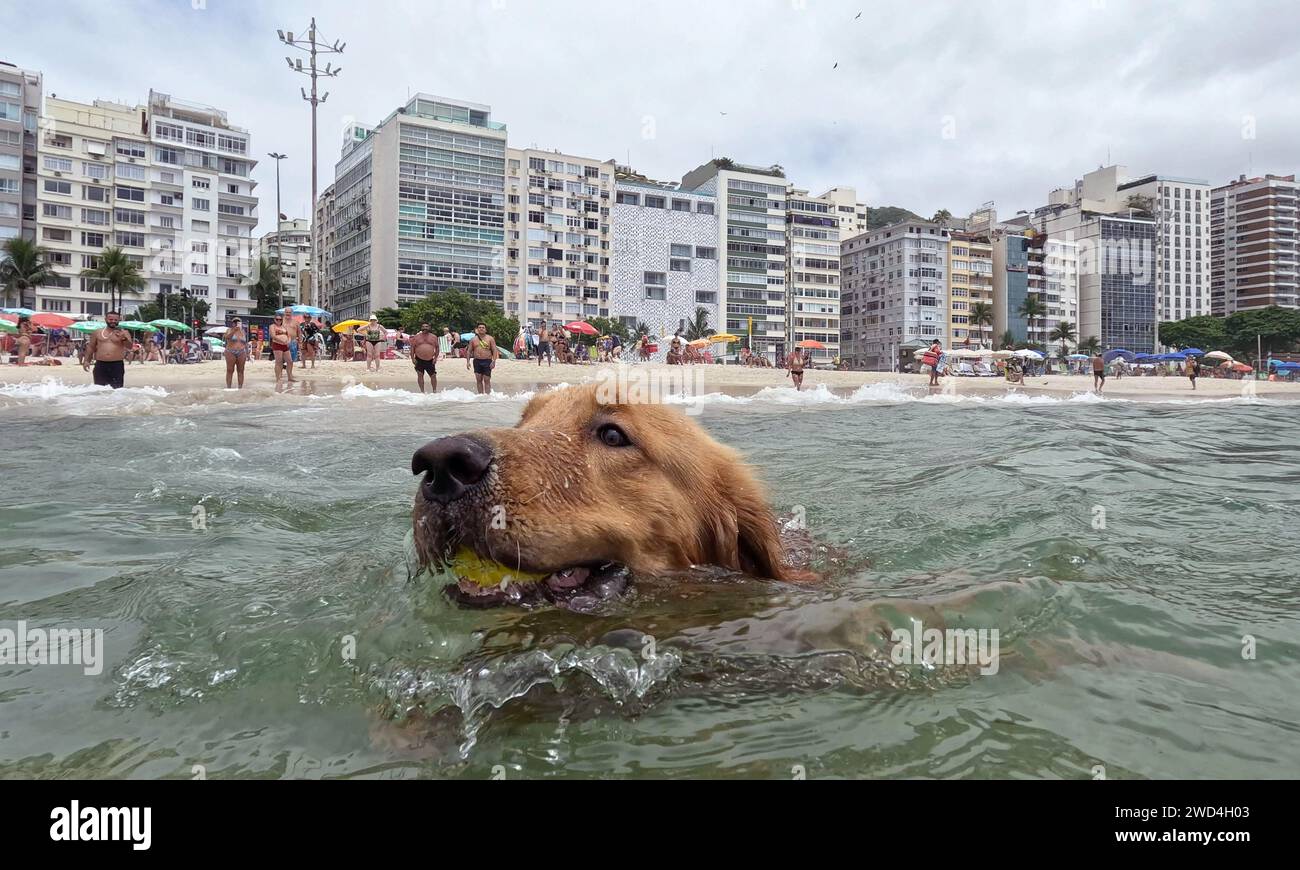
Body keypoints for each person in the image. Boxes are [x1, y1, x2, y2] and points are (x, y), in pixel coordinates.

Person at [81, 310, 133, 389]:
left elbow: (129, 346)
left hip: (117, 365)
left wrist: (123, 338)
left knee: (117, 390)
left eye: (116, 320)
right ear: (105, 319)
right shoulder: (97, 332)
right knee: (99, 389)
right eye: (111, 319)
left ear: (119, 320)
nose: (113, 321)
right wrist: (86, 361)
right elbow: (91, 347)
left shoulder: (124, 332)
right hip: (100, 364)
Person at [466, 322, 498, 395]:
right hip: (477, 361)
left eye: (483, 328)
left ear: (485, 330)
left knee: (487, 380)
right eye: (479, 327)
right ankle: (480, 396)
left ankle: (487, 396)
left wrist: (494, 361)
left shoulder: (490, 338)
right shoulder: (473, 339)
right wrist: (468, 362)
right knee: (478, 379)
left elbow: (494, 350)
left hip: (487, 361)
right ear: (477, 329)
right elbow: (469, 351)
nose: (481, 329)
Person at [410, 321, 440, 393]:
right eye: (423, 327)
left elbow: (437, 348)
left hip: (430, 359)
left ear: (429, 328)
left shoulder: (434, 337)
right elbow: (412, 348)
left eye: (426, 327)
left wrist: (435, 358)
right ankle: (422, 391)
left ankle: (434, 390)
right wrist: (413, 358)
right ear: (421, 328)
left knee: (433, 375)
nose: (424, 328)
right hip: (419, 359)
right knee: (420, 375)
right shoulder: (416, 337)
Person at [224, 316, 249, 389]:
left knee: (241, 370)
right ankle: (228, 387)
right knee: (230, 370)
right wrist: (234, 331)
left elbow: (245, 343)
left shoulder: (243, 331)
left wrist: (247, 353)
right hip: (230, 351)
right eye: (234, 322)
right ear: (232, 323)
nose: (236, 323)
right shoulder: (229, 330)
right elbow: (227, 337)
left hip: (241, 351)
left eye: (238, 322)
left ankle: (240, 387)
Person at [269, 313, 295, 384]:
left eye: (280, 319)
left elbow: (289, 335)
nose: (279, 321)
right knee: (279, 361)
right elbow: (273, 336)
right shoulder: (272, 326)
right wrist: (282, 341)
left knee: (290, 361)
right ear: (274, 320)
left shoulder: (284, 327)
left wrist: (288, 341)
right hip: (277, 344)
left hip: (285, 345)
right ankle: (278, 378)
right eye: (277, 319)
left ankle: (290, 377)